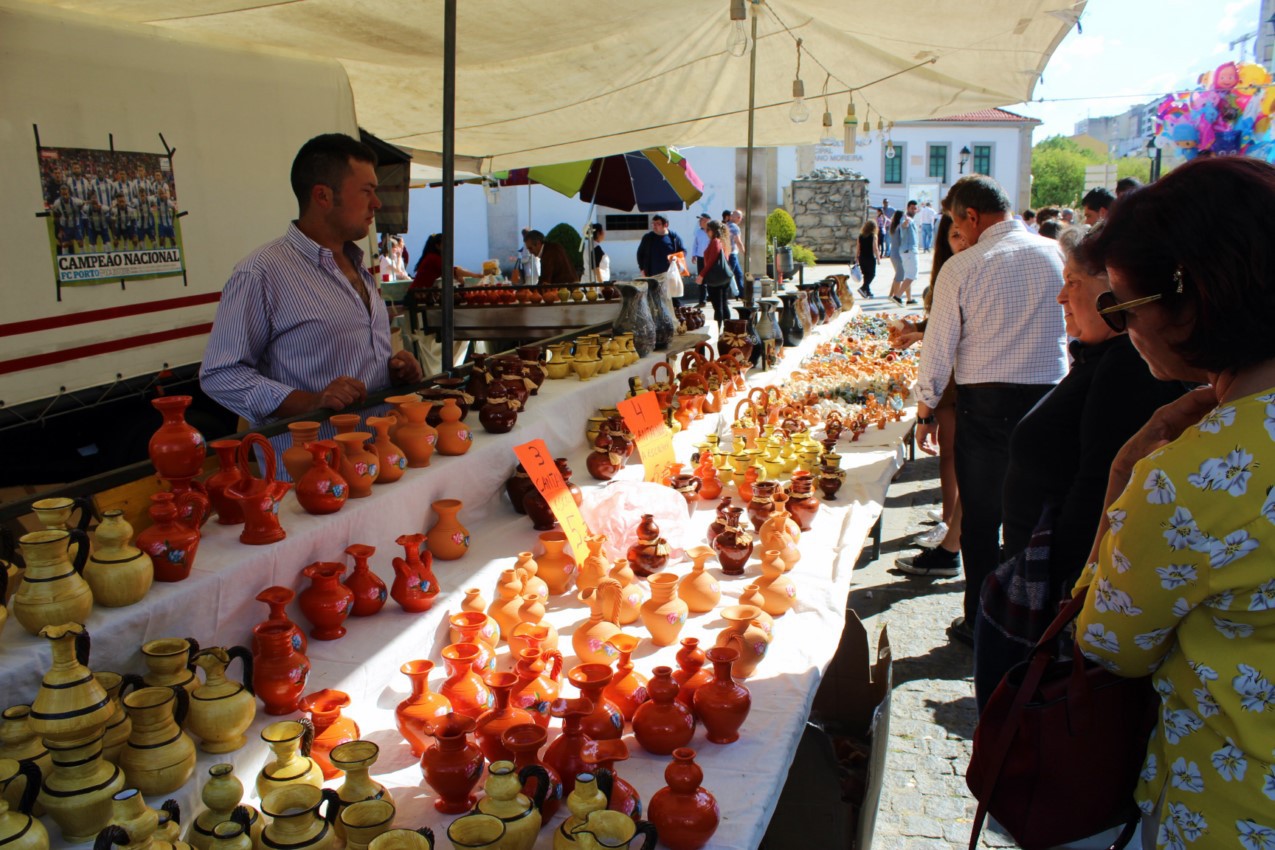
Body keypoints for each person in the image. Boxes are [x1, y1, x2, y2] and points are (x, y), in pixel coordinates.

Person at [1072, 156, 1275, 848]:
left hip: (1228, 808)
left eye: (1122, 305)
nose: (1121, 326)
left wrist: (1124, 473)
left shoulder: (1185, 478)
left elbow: (1107, 642)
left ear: (1190, 302)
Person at [971, 226, 1184, 709]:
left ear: (1113, 291)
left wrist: (1059, 599)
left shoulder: (1127, 369)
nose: (1061, 295)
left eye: (1073, 282)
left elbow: (1096, 492)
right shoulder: (1102, 359)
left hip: (1061, 597)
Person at [200, 133, 423, 464]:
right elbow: (220, 373)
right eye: (366, 191)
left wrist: (394, 373)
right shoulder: (261, 272)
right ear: (322, 195)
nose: (376, 203)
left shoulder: (359, 265)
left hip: (376, 457)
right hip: (311, 474)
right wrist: (309, 402)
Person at [913, 174, 1068, 647]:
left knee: (982, 519)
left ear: (972, 217)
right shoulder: (1055, 252)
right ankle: (1034, 617)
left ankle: (982, 621)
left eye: (957, 225)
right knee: (1039, 517)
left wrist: (925, 409)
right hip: (1051, 399)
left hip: (989, 406)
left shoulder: (963, 267)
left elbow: (938, 349)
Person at [895, 213, 968, 577]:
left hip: (961, 373)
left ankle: (952, 528)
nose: (962, 240)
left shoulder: (971, 265)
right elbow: (945, 322)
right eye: (954, 235)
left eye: (964, 232)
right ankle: (947, 518)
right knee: (949, 453)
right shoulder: (951, 270)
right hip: (951, 374)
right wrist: (920, 329)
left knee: (958, 453)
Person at [410, 233, 481, 290]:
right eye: (445, 244)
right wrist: (475, 275)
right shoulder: (433, 258)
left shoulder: (432, 257)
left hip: (419, 292)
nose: (448, 246)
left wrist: (458, 276)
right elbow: (452, 270)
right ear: (437, 246)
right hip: (417, 294)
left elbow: (450, 272)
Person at [694, 219, 731, 327]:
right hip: (724, 278)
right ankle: (728, 330)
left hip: (715, 279)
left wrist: (701, 275)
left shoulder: (715, 242)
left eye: (708, 229)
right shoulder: (723, 241)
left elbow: (711, 261)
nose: (706, 232)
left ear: (714, 230)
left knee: (718, 307)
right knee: (724, 305)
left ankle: (718, 330)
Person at [636, 214, 686, 279]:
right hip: (652, 275)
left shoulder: (674, 237)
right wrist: (642, 269)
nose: (654, 226)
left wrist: (676, 258)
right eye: (653, 223)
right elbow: (640, 254)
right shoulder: (648, 237)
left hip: (670, 274)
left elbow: (683, 251)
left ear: (666, 225)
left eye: (658, 224)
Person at [888, 200, 919, 305]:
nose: (913, 210)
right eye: (912, 208)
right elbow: (904, 225)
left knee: (907, 275)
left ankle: (909, 299)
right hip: (908, 251)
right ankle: (897, 296)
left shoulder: (907, 220)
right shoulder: (906, 219)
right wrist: (905, 223)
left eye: (915, 208)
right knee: (911, 275)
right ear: (907, 208)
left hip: (904, 252)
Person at [690, 213, 711, 305]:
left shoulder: (712, 231)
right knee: (701, 278)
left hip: (710, 258)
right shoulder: (698, 232)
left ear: (707, 220)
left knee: (710, 278)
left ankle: (712, 297)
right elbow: (695, 244)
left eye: (701, 220)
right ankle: (702, 300)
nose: (700, 222)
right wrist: (694, 254)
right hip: (700, 257)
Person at [856, 219, 879, 299]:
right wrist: (878, 258)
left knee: (866, 274)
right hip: (870, 257)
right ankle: (863, 287)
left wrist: (856, 258)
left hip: (862, 257)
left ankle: (867, 291)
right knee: (872, 274)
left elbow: (858, 248)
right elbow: (875, 248)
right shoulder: (873, 236)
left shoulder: (860, 236)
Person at [727, 210, 746, 297]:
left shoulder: (725, 226)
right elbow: (738, 241)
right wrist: (744, 253)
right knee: (733, 274)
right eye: (740, 217)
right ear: (739, 218)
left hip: (726, 253)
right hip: (732, 253)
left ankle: (741, 293)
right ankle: (741, 293)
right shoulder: (735, 227)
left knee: (737, 273)